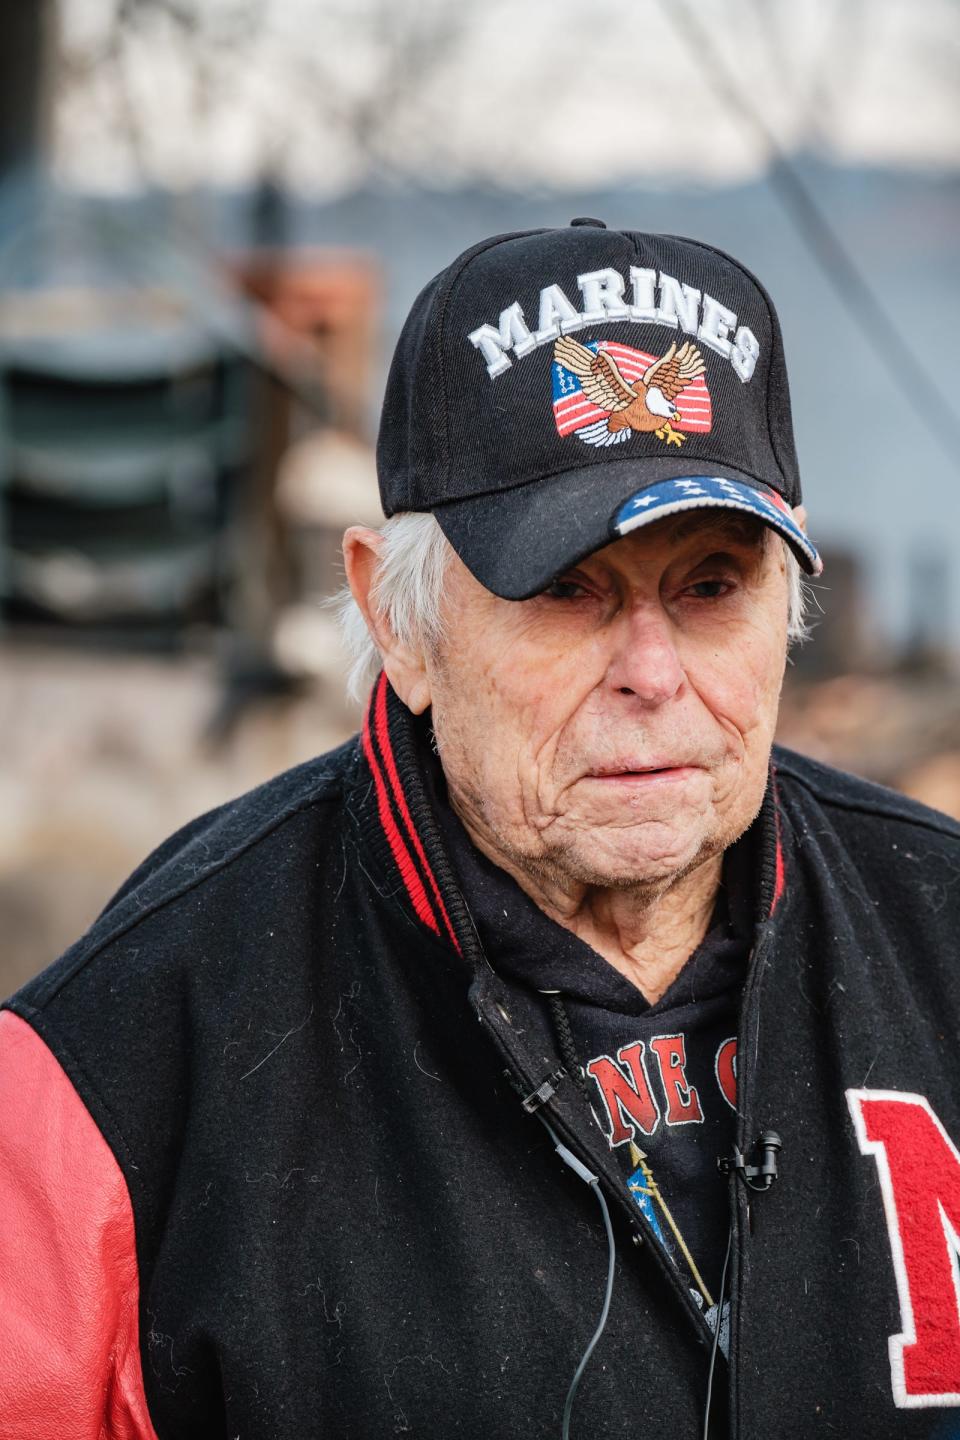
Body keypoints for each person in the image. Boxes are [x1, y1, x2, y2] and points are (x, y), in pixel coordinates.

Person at [1, 221, 959, 1440]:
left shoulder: (940, 929)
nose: (653, 673)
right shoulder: (121, 1061)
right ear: (395, 623)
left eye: (711, 585)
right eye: (568, 589)